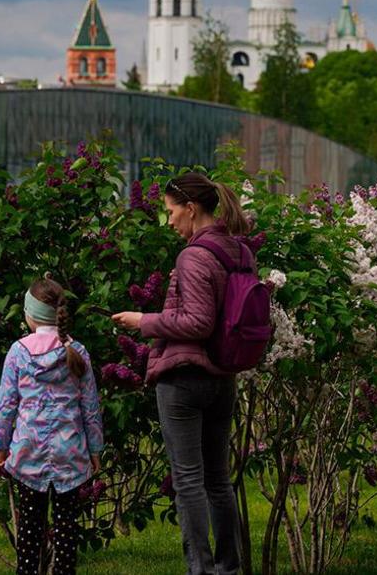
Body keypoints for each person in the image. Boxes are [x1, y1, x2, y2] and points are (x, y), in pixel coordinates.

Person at [112, 171, 253, 575]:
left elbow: (197, 323)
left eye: (171, 211)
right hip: (222, 377)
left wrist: (145, 321)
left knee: (189, 480)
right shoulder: (238, 251)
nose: (169, 220)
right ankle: (228, 567)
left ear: (191, 209)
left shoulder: (194, 255)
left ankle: (201, 570)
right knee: (218, 480)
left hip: (184, 377)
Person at [0, 277, 103, 575]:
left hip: (28, 455)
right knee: (67, 531)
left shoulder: (18, 352)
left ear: (30, 315)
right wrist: (95, 450)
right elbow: (90, 408)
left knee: (29, 530)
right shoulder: (77, 352)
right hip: (71, 456)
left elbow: (6, 406)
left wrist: (0, 446)